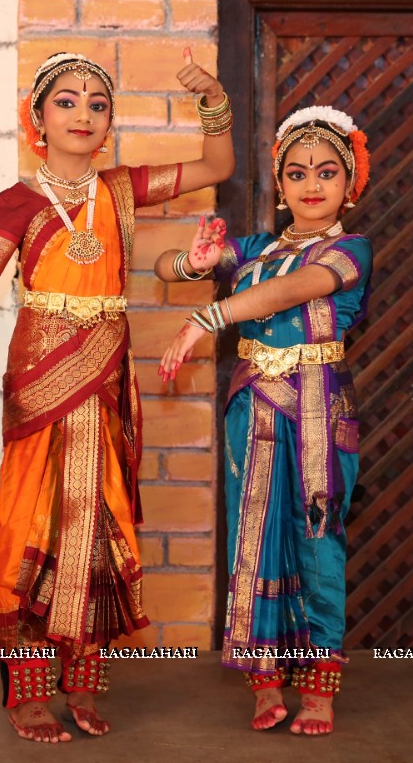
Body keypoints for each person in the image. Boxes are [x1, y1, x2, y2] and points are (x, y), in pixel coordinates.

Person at [0, 50, 235, 743]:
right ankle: (27, 693)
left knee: (99, 528)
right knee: (28, 527)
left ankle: (81, 687)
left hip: (105, 380)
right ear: (38, 119)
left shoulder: (122, 189)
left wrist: (213, 100)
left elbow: (215, 168)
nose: (83, 113)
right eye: (67, 100)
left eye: (97, 103)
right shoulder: (16, 202)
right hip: (41, 380)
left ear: (109, 123)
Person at [156, 106, 372, 736]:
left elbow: (292, 290)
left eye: (328, 172)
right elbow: (166, 265)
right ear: (280, 186)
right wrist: (195, 262)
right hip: (252, 407)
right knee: (252, 535)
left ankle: (320, 689)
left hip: (318, 411)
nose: (312, 184)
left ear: (349, 183)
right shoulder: (253, 249)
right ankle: (265, 682)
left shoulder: (350, 250)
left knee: (316, 537)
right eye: (298, 172)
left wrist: (210, 317)